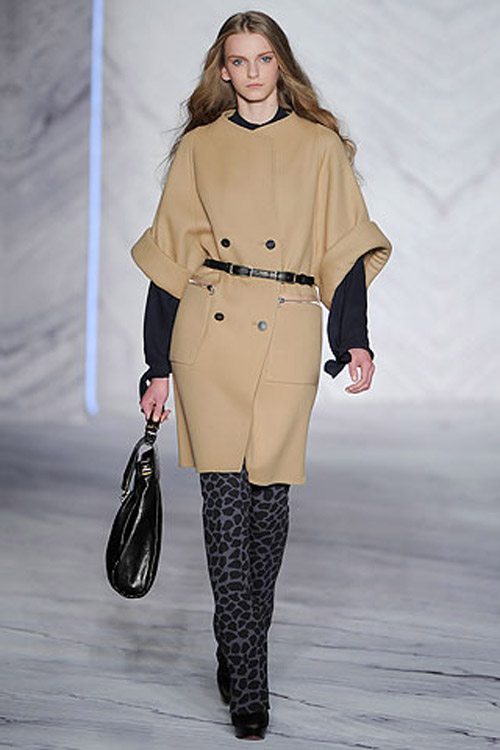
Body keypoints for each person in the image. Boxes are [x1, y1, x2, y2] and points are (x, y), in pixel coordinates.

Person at [130, 10, 392, 740]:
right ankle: (250, 682)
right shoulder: (199, 148)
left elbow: (344, 249)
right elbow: (169, 261)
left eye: (263, 58)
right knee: (223, 506)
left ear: (282, 64)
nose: (251, 72)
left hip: (288, 324)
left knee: (269, 506)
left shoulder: (320, 147)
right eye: (238, 61)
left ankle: (235, 640)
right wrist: (156, 366)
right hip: (208, 331)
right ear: (222, 70)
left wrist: (354, 340)